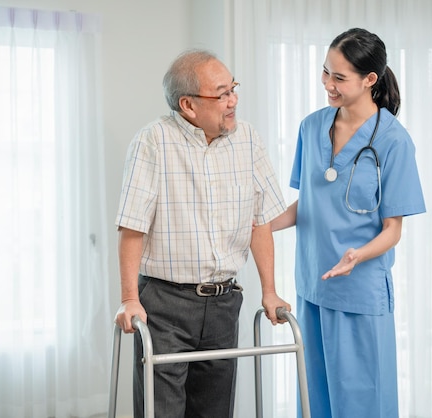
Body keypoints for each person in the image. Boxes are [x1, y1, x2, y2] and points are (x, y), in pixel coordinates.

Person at [114, 49, 291, 418]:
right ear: (188, 106)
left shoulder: (248, 140)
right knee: (160, 411)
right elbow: (133, 225)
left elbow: (259, 222)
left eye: (233, 89)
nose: (233, 101)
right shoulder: (153, 142)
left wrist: (270, 291)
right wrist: (130, 298)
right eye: (222, 93)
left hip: (224, 304)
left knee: (214, 411)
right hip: (165, 305)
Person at [272, 28, 426, 418]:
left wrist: (357, 257)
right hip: (311, 284)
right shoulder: (311, 127)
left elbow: (393, 229)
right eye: (326, 72)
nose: (328, 84)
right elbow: (308, 203)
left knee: (362, 402)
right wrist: (261, 225)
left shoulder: (394, 141)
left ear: (370, 80)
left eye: (339, 78)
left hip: (358, 290)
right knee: (316, 399)